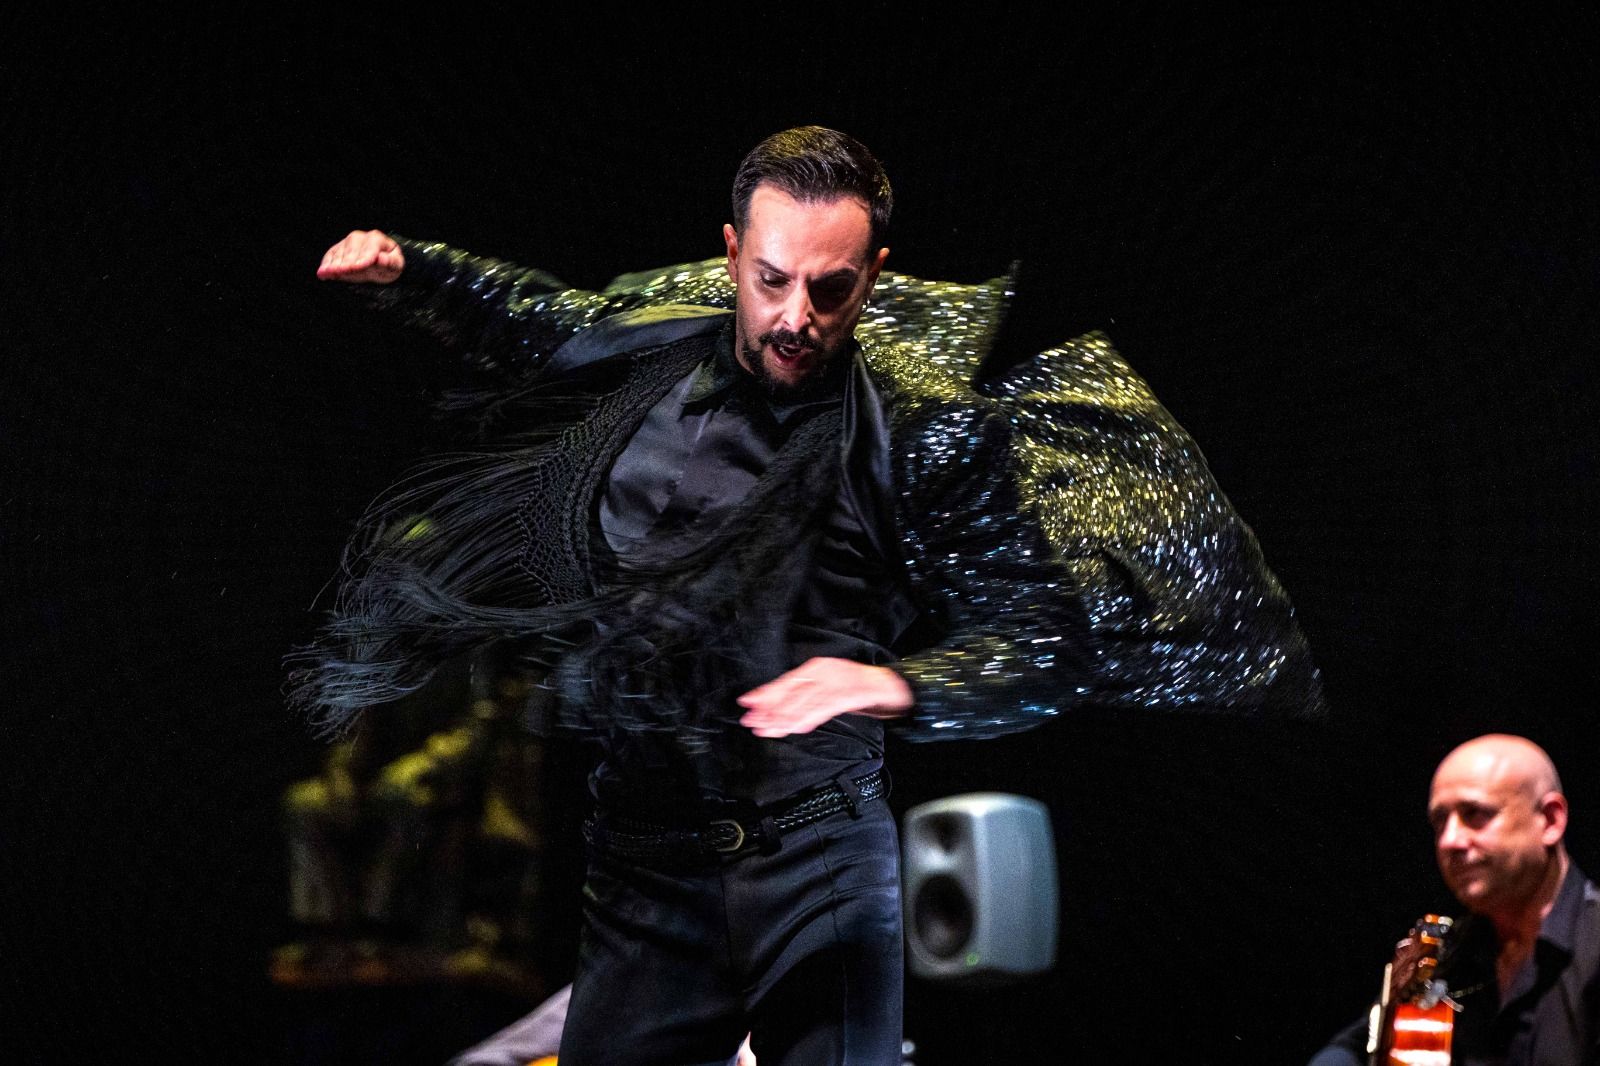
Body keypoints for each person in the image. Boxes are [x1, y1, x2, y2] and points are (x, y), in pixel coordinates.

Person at [298, 126, 1320, 1066]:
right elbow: (538, 318)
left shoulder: (920, 431)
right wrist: (411, 269)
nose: (795, 318)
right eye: (772, 280)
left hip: (816, 849)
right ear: (732, 252)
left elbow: (1044, 639)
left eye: (830, 290)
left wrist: (896, 685)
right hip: (646, 852)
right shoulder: (658, 345)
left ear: (873, 275)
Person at [1309, 734, 1600, 1065]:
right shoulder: (1447, 952)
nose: (1449, 841)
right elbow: (1354, 1048)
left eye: (1474, 813)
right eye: (1439, 822)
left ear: (1550, 820)